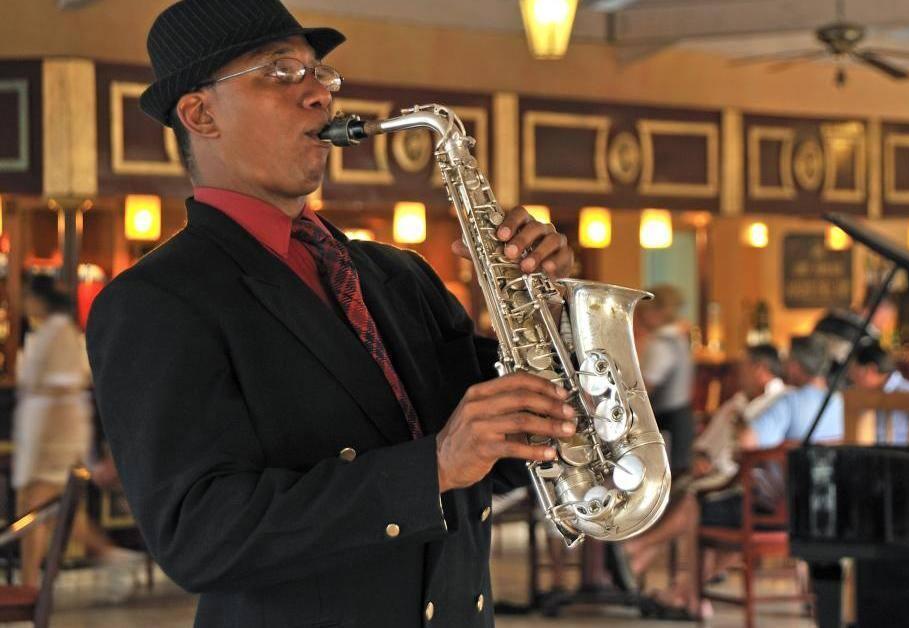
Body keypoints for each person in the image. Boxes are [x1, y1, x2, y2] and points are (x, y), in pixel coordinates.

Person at [85, 2, 577, 626]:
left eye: (321, 73)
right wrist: (432, 467)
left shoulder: (400, 276)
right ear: (200, 113)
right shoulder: (156, 301)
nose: (319, 93)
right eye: (281, 72)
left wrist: (556, 318)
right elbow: (200, 536)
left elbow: (507, 460)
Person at [622, 344, 789, 619]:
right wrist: (700, 457)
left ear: (760, 370)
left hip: (754, 493)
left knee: (696, 506)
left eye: (743, 368)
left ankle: (644, 557)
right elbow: (704, 445)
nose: (737, 375)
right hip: (720, 482)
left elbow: (757, 451)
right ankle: (681, 589)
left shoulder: (781, 403)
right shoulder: (735, 403)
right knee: (688, 496)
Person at [13, 275, 139, 599]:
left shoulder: (60, 334)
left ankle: (30, 587)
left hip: (55, 433)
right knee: (48, 507)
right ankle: (111, 557)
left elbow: (66, 383)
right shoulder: (48, 333)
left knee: (39, 506)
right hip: (45, 430)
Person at [637, 283, 695, 473]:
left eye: (642, 311)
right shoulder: (678, 338)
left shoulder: (661, 344)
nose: (639, 317)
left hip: (668, 424)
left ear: (656, 312)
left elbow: (644, 389)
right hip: (682, 418)